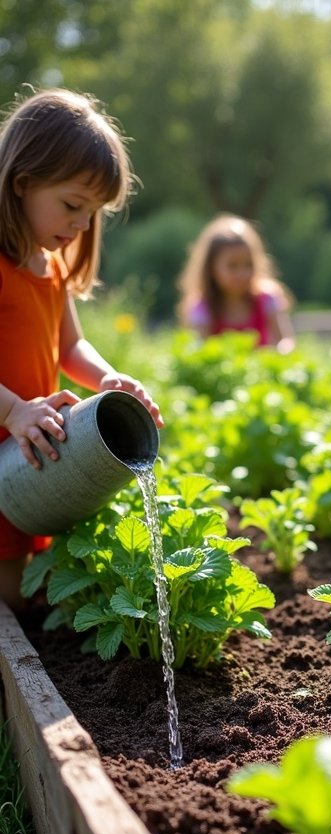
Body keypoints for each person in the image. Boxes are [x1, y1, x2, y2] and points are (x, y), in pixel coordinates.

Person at [0, 87, 163, 610]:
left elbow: (71, 344)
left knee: (28, 592)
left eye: (92, 214)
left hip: (33, 454)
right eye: (72, 206)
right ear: (22, 183)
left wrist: (108, 378)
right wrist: (14, 410)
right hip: (10, 448)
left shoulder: (53, 269)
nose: (80, 226)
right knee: (9, 601)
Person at [177, 214, 295, 352]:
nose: (242, 273)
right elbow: (199, 350)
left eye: (248, 265)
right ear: (210, 268)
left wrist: (280, 352)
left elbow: (287, 341)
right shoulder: (202, 308)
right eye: (232, 266)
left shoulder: (267, 298)